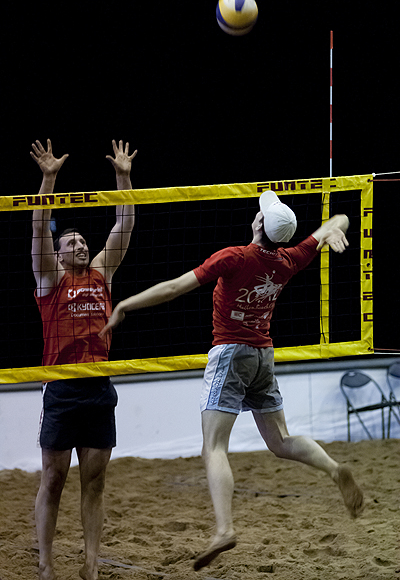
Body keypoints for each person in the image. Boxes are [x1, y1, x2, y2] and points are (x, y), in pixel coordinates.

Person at [98, 191, 364, 571]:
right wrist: (335, 230)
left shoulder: (235, 257)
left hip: (230, 354)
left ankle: (224, 529)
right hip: (262, 355)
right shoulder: (290, 258)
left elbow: (174, 287)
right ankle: (335, 469)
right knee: (281, 440)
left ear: (259, 223)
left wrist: (125, 304)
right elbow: (340, 218)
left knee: (214, 447)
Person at [31, 138, 137, 580]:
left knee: (94, 482)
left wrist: (123, 177)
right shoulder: (50, 279)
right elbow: (40, 228)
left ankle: (91, 566)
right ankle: (45, 564)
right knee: (53, 479)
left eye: (81, 240)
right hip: (61, 388)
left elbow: (124, 223)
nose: (79, 244)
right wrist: (49, 178)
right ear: (57, 255)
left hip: (98, 388)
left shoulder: (100, 273)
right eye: (71, 241)